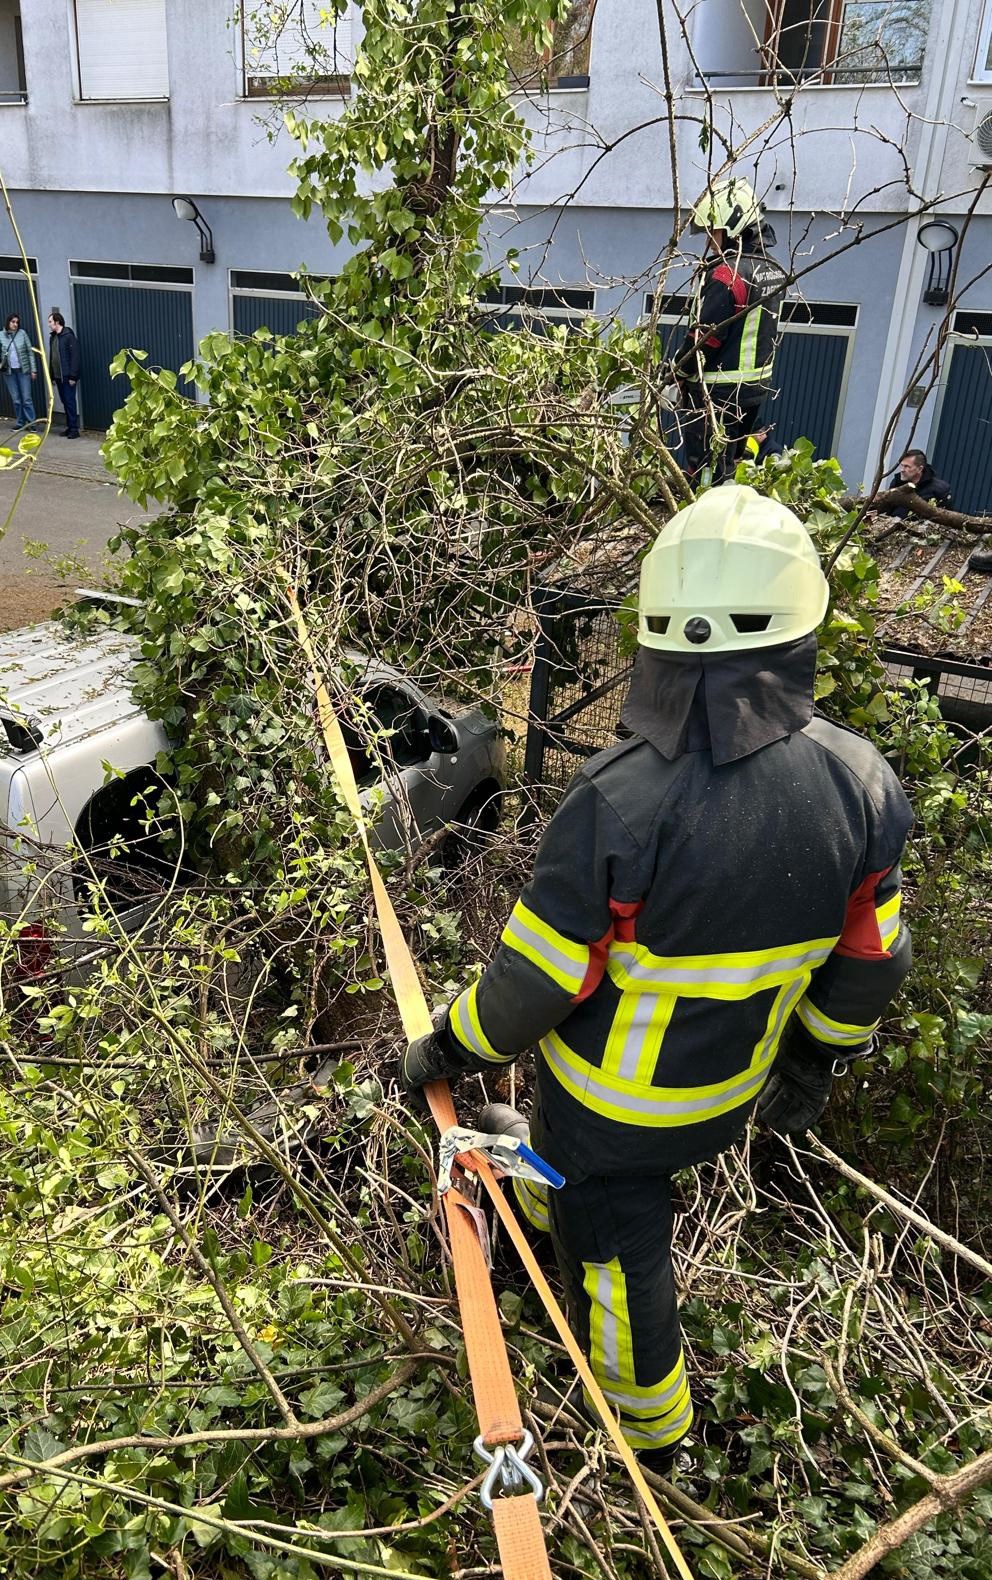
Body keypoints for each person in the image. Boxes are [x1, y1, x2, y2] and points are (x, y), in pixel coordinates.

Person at [401, 484, 913, 1474]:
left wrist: (449, 1044)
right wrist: (811, 1067)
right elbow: (867, 961)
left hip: (613, 1113)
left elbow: (535, 982)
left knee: (619, 1260)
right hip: (731, 1097)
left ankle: (656, 1438)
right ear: (803, 618)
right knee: (567, 1172)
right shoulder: (864, 784)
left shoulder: (618, 801)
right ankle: (538, 1199)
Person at [673, 179, 786, 487]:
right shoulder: (772, 268)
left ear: (734, 226)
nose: (710, 243)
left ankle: (704, 515)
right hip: (753, 389)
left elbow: (706, 336)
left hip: (717, 392)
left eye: (714, 233)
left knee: (708, 471)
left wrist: (677, 372)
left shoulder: (728, 273)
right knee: (736, 461)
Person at [0, 312, 37, 430]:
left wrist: (33, 370)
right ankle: (20, 423)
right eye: (13, 322)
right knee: (16, 399)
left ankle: (31, 423)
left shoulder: (22, 334)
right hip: (9, 373)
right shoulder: (0, 335)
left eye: (17, 322)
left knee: (26, 398)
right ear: (8, 323)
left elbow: (30, 352)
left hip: (23, 370)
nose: (15, 324)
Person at [886, 449, 952, 517]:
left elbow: (945, 518)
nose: (902, 470)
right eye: (901, 465)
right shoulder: (896, 482)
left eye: (907, 466)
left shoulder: (940, 489)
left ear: (920, 469)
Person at [48, 309, 81, 439]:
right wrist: (52, 375)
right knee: (64, 401)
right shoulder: (54, 338)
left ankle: (74, 429)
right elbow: (53, 357)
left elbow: (75, 357)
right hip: (58, 376)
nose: (49, 324)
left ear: (57, 322)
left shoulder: (68, 337)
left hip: (67, 377)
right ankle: (69, 426)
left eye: (50, 322)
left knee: (70, 401)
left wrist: (73, 376)